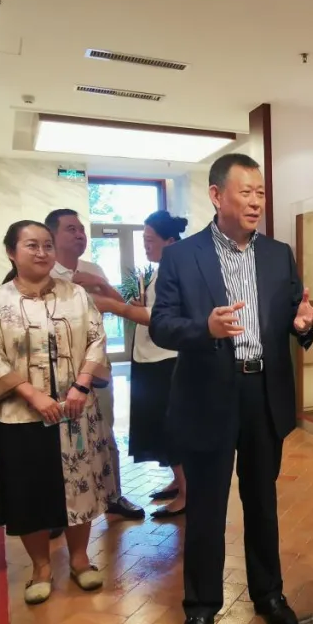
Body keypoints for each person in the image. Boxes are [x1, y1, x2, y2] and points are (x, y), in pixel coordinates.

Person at [149, 153, 313, 624]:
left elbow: (294, 315)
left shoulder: (278, 254)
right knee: (205, 508)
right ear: (216, 195)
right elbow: (161, 325)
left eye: (260, 193)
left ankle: (270, 596)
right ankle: (201, 611)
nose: (255, 201)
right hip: (207, 394)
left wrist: (303, 325)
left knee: (262, 501)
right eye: (245, 191)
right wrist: (203, 328)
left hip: (263, 393)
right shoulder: (183, 257)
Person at [0, 220, 112, 605]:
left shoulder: (76, 295)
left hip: (74, 410)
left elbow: (97, 339)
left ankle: (80, 560)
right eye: (31, 245)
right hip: (21, 417)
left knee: (79, 485)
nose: (41, 252)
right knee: (28, 491)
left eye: (47, 245)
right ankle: (41, 567)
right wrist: (33, 395)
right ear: (11, 252)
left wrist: (81, 386)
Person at [45, 208, 146, 523]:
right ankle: (56, 507)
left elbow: (121, 305)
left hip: (98, 367)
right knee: (59, 439)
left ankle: (113, 496)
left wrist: (98, 282)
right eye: (71, 229)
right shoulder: (44, 272)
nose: (80, 235)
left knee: (106, 431)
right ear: (52, 236)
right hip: (58, 373)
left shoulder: (91, 268)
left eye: (81, 229)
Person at [93, 211, 188, 519]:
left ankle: (187, 493)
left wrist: (113, 307)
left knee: (172, 428)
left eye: (150, 240)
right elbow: (150, 310)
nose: (145, 246)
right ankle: (178, 481)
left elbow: (158, 318)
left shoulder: (176, 272)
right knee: (159, 426)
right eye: (144, 240)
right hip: (151, 356)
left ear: (170, 242)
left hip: (166, 359)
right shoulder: (162, 270)